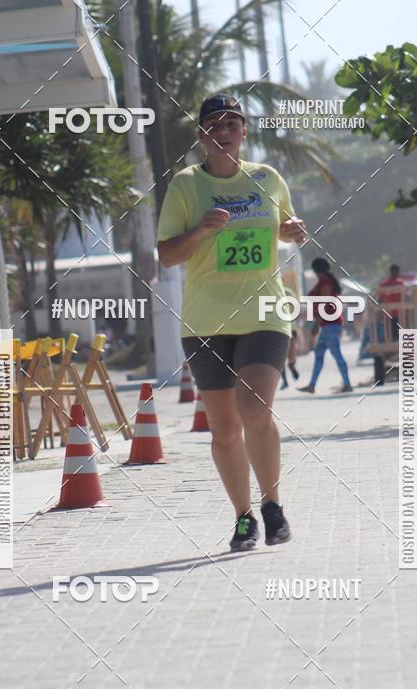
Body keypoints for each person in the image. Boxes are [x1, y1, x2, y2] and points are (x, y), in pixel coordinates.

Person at [156, 93, 307, 550]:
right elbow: (167, 255)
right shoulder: (185, 185)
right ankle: (243, 517)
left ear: (244, 131)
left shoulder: (268, 178)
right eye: (213, 126)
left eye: (231, 125)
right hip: (206, 320)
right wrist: (200, 230)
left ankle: (272, 504)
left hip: (264, 311)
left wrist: (292, 231)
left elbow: (285, 228)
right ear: (201, 136)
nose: (222, 133)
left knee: (255, 409)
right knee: (223, 429)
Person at [299, 258, 352, 393]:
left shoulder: (325, 282)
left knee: (336, 354)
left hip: (330, 324)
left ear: (315, 269)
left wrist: (316, 324)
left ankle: (347, 384)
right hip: (328, 324)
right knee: (319, 354)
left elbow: (324, 303)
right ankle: (312, 385)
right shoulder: (326, 281)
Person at [378, 263, 404, 340]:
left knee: (397, 330)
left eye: (397, 272)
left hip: (399, 311)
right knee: (391, 330)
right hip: (389, 312)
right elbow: (380, 298)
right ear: (391, 271)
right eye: (395, 271)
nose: (397, 273)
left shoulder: (400, 283)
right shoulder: (385, 284)